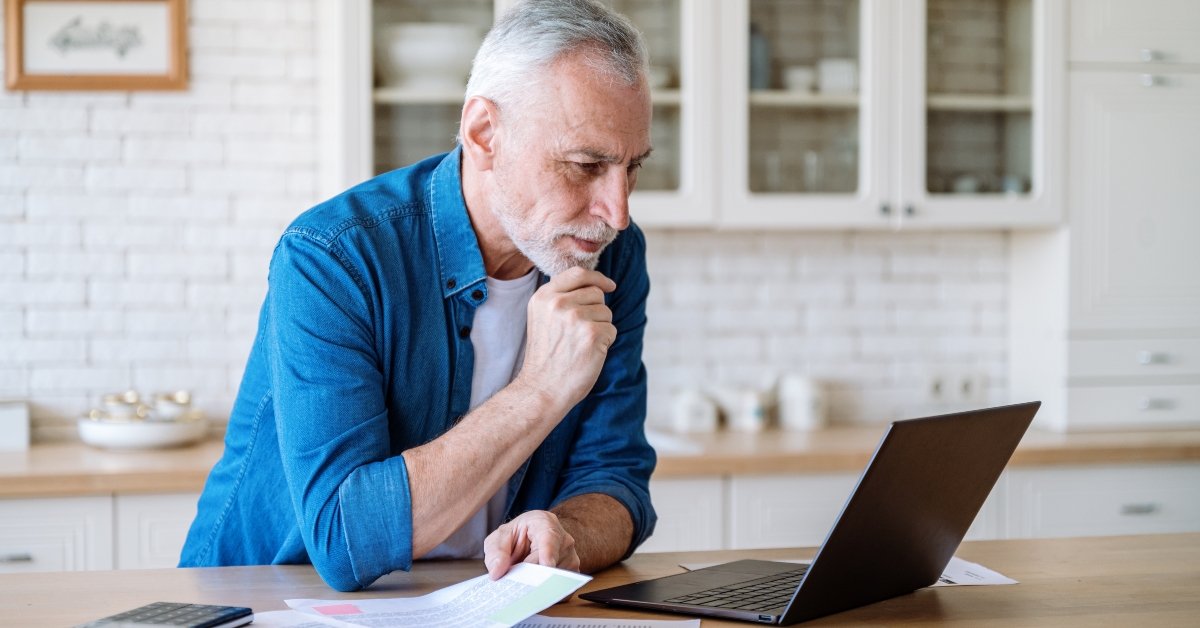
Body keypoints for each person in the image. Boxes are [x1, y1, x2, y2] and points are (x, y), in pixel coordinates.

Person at [179, 0, 658, 592]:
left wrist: (569, 533)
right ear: (485, 134)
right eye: (586, 166)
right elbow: (344, 536)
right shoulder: (333, 257)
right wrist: (540, 389)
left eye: (633, 167)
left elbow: (617, 479)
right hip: (270, 598)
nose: (617, 210)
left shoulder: (611, 253)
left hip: (472, 600)